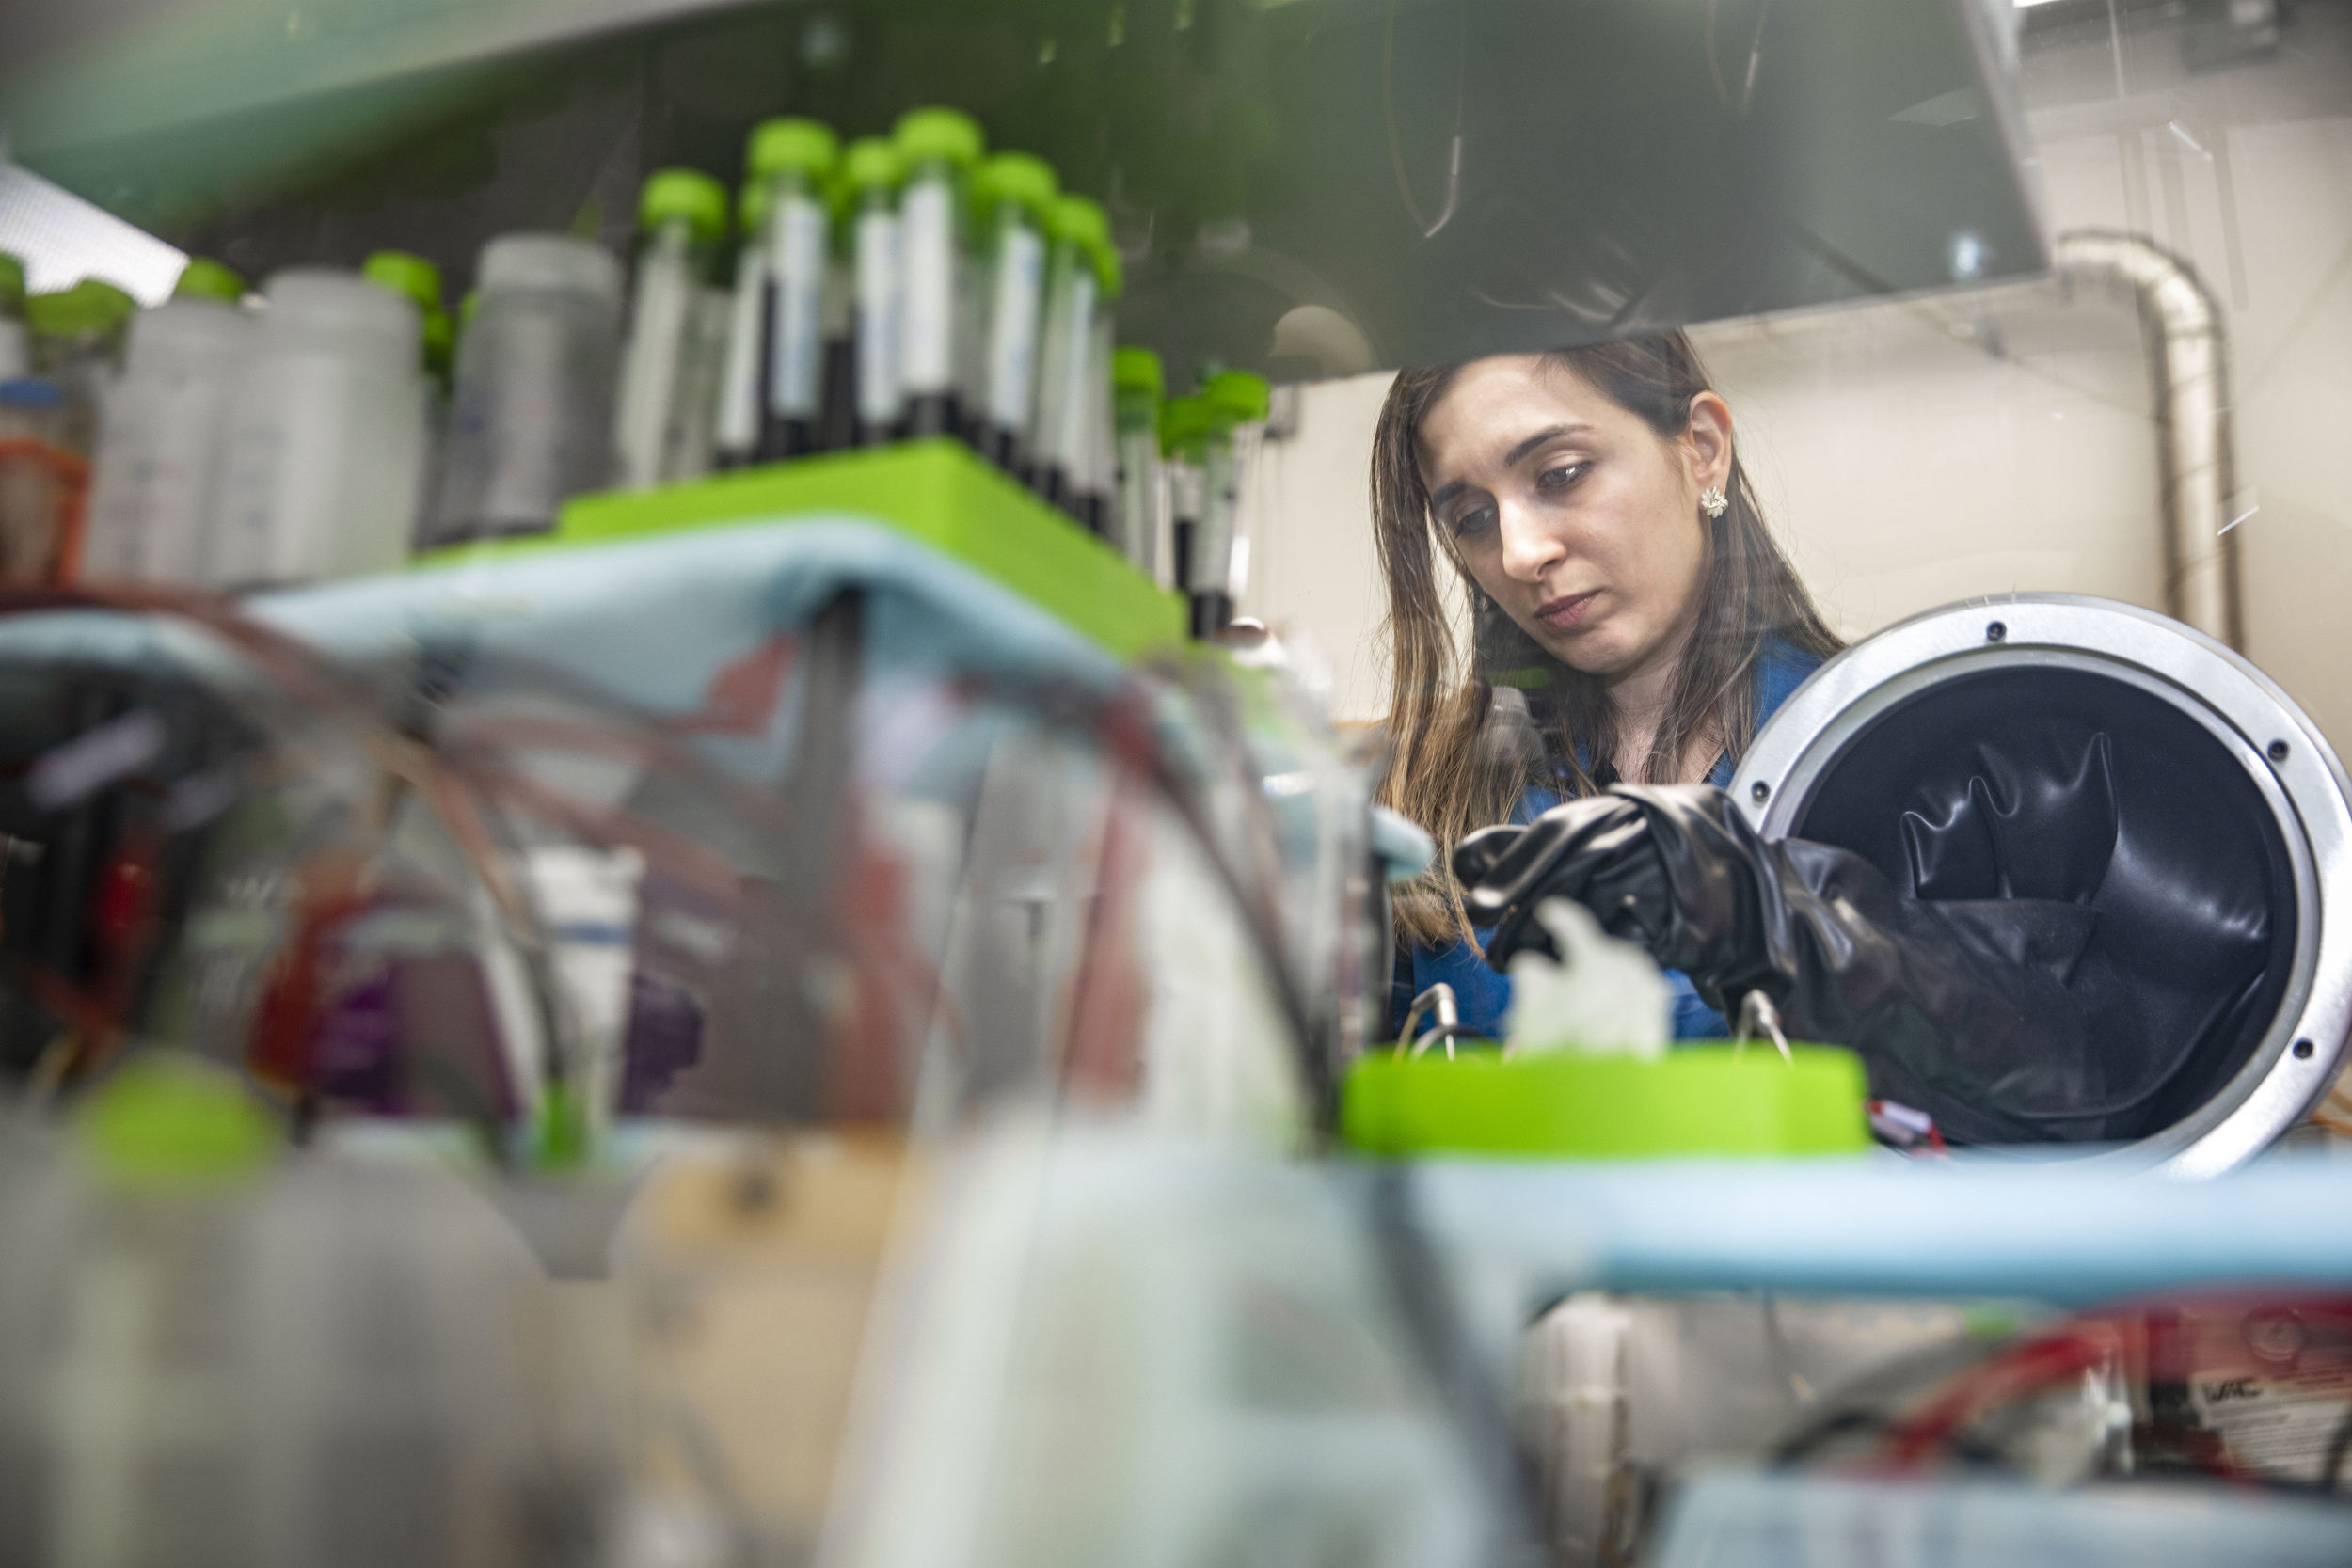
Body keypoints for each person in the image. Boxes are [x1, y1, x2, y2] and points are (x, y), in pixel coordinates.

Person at [1370, 331, 1841, 1041]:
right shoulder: (1427, 801)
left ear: (1703, 449)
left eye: (1560, 473)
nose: (1521, 551)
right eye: (1472, 518)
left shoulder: (1870, 749)